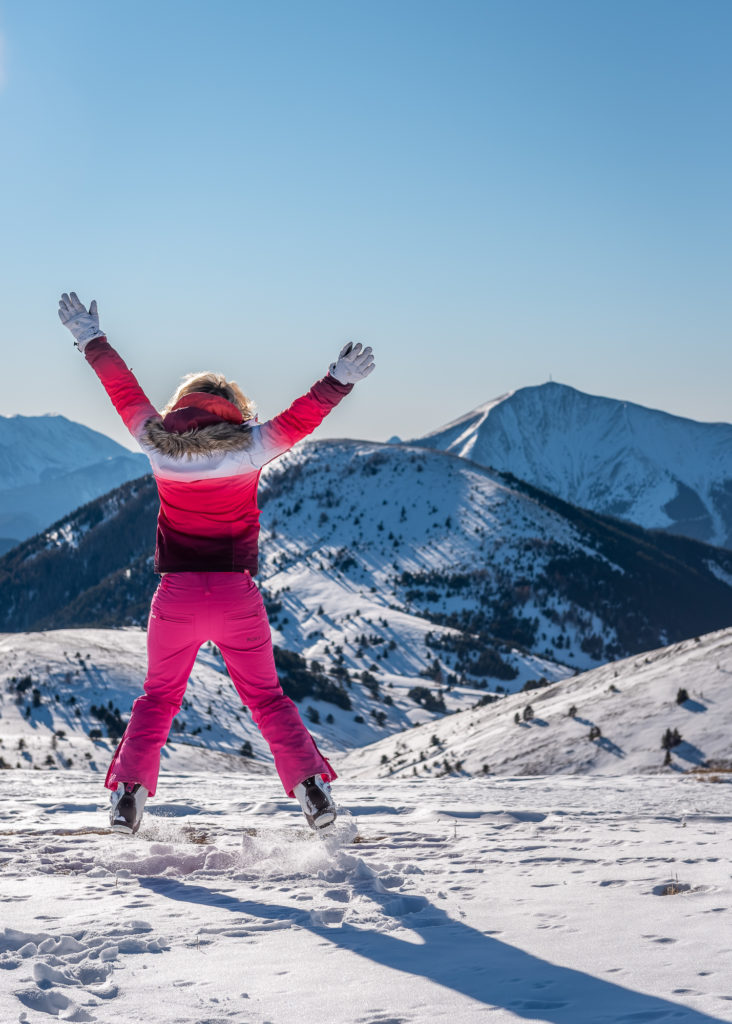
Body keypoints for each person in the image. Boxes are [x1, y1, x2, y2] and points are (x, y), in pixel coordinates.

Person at [58, 291, 375, 834]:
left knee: (158, 698)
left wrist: (89, 335)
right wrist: (337, 379)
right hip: (235, 597)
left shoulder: (155, 443)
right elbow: (302, 418)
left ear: (182, 404)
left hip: (176, 598)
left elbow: (121, 388)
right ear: (233, 405)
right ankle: (312, 792)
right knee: (267, 699)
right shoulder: (251, 445)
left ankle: (128, 796)